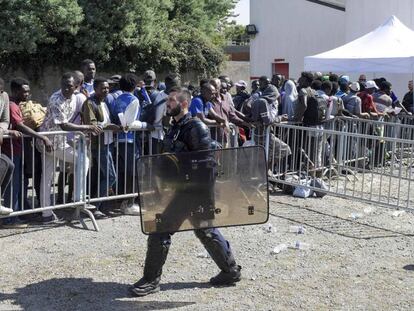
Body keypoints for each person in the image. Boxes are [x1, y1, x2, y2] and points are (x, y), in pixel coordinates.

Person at [130, 87, 241, 297]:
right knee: (205, 230)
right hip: (182, 188)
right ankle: (230, 271)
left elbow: (206, 163)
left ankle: (150, 280)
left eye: (171, 100)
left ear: (184, 104)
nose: (168, 104)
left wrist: (196, 192)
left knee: (160, 230)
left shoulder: (196, 126)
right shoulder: (175, 127)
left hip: (193, 191)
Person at [38, 72, 102, 223]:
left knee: (51, 175)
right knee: (81, 160)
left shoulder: (75, 97)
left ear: (75, 87)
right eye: (64, 86)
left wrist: (83, 131)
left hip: (58, 142)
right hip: (50, 142)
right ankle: (75, 199)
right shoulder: (55, 99)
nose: (66, 89)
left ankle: (49, 212)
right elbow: (64, 124)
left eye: (70, 86)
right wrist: (88, 127)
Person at [1, 78, 53, 228]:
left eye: (28, 91)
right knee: (13, 184)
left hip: (16, 149)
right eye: (24, 91)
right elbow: (20, 126)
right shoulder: (11, 106)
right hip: (10, 150)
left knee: (20, 182)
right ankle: (9, 219)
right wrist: (41, 137)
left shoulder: (16, 105)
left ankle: (19, 212)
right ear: (15, 91)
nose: (28, 94)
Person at [111, 73, 154, 215]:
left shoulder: (117, 99)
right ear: (134, 86)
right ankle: (129, 204)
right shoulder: (133, 100)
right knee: (135, 171)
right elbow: (129, 124)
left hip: (118, 140)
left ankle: (124, 201)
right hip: (128, 140)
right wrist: (145, 125)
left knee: (124, 172)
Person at [81, 78, 120, 219]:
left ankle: (99, 205)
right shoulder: (90, 103)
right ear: (96, 89)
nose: (106, 90)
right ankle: (95, 206)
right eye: (103, 88)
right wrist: (110, 127)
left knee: (105, 176)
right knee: (111, 176)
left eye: (108, 88)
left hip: (108, 143)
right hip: (99, 145)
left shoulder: (104, 102)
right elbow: (92, 124)